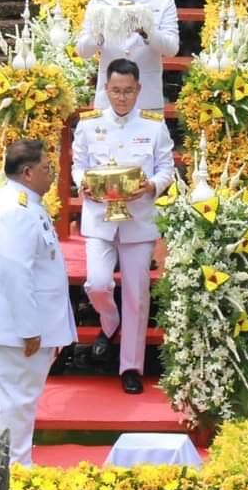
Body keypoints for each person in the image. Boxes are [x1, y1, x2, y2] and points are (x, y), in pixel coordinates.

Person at [0, 139, 76, 466]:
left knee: (16, 401)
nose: (51, 173)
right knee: (17, 401)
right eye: (46, 167)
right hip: (17, 329)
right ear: (27, 172)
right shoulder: (16, 210)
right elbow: (16, 274)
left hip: (20, 326)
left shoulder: (25, 203)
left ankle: (5, 466)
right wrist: (29, 330)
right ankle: (12, 469)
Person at [71, 59, 175, 395]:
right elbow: (78, 164)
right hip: (100, 216)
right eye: (116, 91)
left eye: (128, 91)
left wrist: (152, 186)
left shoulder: (153, 126)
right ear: (106, 89)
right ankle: (109, 321)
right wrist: (83, 183)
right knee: (97, 283)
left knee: (137, 295)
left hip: (138, 219)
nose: (121, 97)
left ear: (139, 90)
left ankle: (131, 366)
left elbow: (166, 169)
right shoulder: (89, 124)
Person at [76, 0, 180, 112]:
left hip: (146, 98)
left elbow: (171, 49)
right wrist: (100, 31)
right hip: (109, 100)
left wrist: (147, 31)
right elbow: (83, 51)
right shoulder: (100, 0)